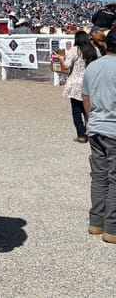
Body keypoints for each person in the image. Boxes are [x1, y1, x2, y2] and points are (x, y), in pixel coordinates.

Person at [81, 29, 116, 244]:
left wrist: (91, 119)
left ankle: (96, 222)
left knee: (99, 176)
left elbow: (86, 96)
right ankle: (112, 227)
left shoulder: (93, 66)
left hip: (95, 127)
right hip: (113, 129)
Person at [59, 31, 100, 143]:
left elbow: (66, 66)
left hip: (75, 84)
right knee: (90, 109)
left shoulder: (75, 50)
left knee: (76, 111)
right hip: (90, 82)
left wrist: (61, 58)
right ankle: (93, 132)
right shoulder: (94, 50)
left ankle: (81, 134)